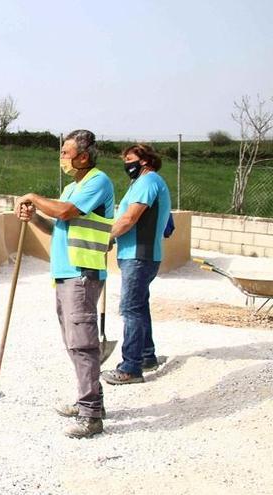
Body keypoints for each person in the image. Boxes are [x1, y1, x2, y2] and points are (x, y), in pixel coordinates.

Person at [14, 129, 114, 438]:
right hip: (65, 274)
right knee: (74, 343)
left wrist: (34, 198)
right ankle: (91, 400)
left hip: (82, 273)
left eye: (65, 154)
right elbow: (58, 224)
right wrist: (33, 218)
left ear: (83, 156)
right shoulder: (73, 187)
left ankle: (91, 415)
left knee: (83, 344)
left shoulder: (98, 181)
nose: (62, 159)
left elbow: (66, 212)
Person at [102, 144, 172, 385]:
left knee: (131, 309)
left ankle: (130, 368)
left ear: (144, 160)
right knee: (139, 307)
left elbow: (130, 218)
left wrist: (106, 237)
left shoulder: (147, 182)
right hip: (139, 255)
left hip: (139, 256)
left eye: (129, 159)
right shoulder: (144, 183)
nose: (126, 163)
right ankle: (146, 356)